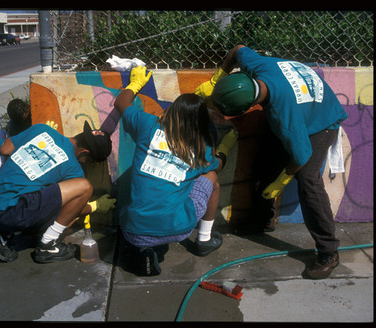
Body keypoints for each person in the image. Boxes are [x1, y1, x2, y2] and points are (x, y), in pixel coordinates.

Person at [196, 44, 348, 280]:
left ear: (249, 106)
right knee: (265, 160)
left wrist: (282, 179)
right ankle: (262, 221)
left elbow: (301, 155)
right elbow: (238, 49)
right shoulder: (254, 64)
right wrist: (218, 79)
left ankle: (329, 251)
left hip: (322, 120)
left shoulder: (284, 115)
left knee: (307, 178)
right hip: (301, 105)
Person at [113, 66, 238, 276]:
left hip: (133, 230)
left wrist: (135, 84)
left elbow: (121, 103)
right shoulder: (202, 150)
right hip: (179, 228)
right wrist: (225, 146)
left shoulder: (147, 125)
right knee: (211, 177)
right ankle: (204, 240)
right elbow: (219, 164)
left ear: (172, 110)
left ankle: (143, 249)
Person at [0, 121, 115, 263]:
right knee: (84, 187)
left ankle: (2, 234)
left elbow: (4, 149)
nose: (87, 164)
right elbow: (71, 211)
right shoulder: (74, 170)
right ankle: (48, 245)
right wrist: (96, 206)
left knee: (35, 193)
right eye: (90, 162)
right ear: (84, 152)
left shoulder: (41, 129)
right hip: (9, 215)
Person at [0, 98, 32, 172]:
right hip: (16, 149)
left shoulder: (34, 114)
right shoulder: (13, 125)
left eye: (23, 117)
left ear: (27, 108)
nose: (21, 120)